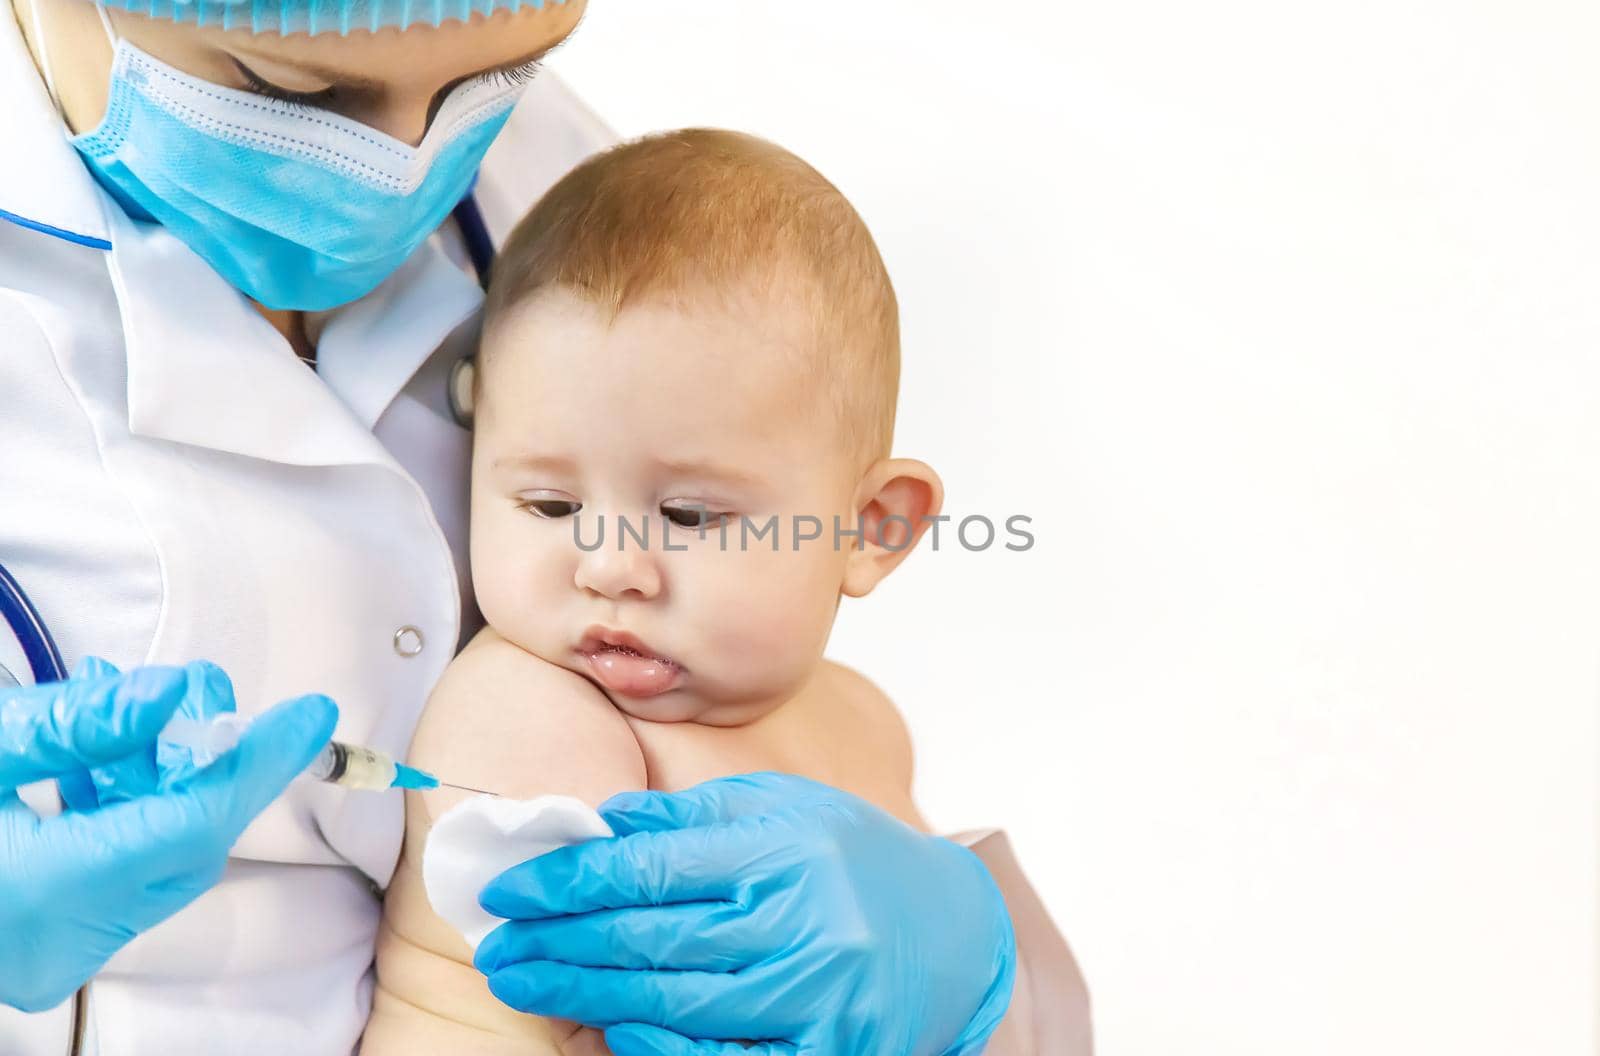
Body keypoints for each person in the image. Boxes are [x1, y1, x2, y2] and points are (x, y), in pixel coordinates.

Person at [0, 0, 1091, 1052]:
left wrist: (974, 981)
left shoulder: (599, 205)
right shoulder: (523, 731)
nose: (409, 159)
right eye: (302, 85)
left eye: (488, 81)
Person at [365, 127, 1042, 1055]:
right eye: (551, 502)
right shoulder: (530, 708)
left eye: (686, 517)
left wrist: (965, 989)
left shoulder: (866, 725)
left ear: (872, 526)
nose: (608, 566)